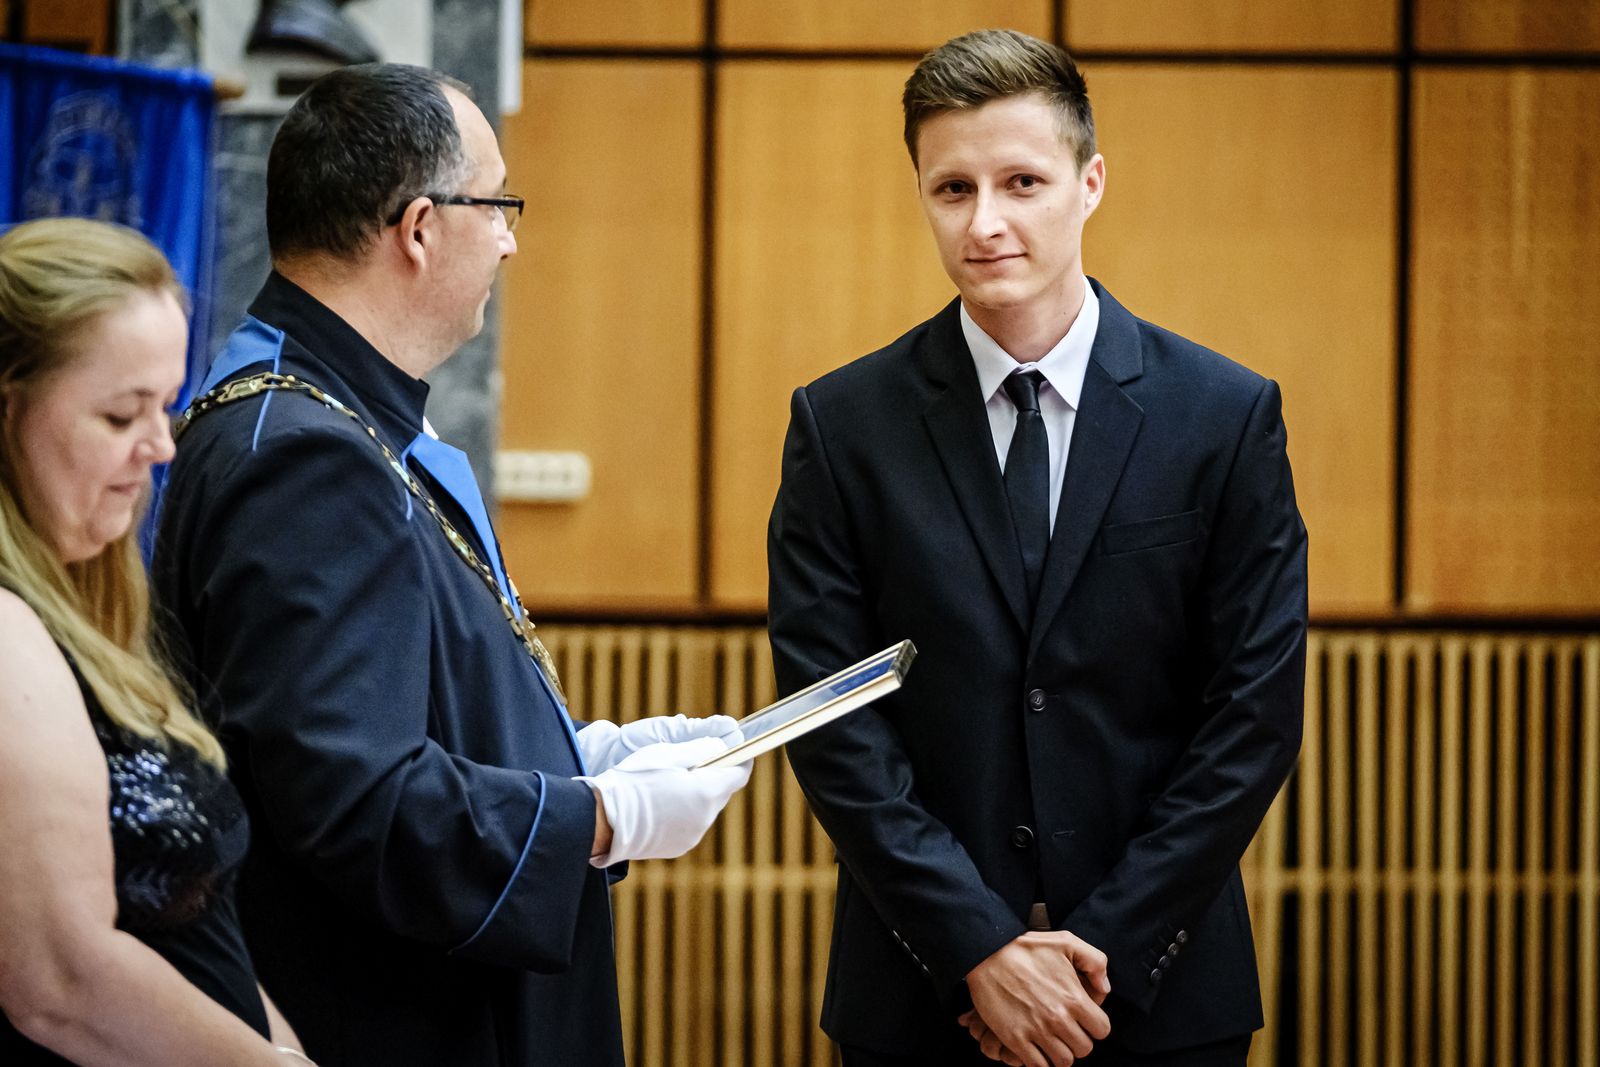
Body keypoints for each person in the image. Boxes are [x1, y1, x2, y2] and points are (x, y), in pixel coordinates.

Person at [150, 64, 750, 1066]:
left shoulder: (325, 411)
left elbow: (388, 711)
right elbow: (357, 800)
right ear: (421, 228)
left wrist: (570, 756)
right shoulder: (306, 455)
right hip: (393, 1015)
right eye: (498, 204)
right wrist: (600, 815)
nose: (511, 239)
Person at [769, 29, 1307, 1067]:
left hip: (1156, 995)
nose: (987, 222)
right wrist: (977, 947)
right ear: (921, 195)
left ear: (1089, 182)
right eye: (953, 189)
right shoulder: (842, 426)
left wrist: (1105, 951)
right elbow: (831, 717)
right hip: (922, 995)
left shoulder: (1224, 416)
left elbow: (1253, 713)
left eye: (1022, 182)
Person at [0, 217, 315, 1065]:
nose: (163, 446)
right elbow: (61, 982)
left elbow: (204, 938)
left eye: (166, 406)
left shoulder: (80, 610)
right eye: (120, 414)